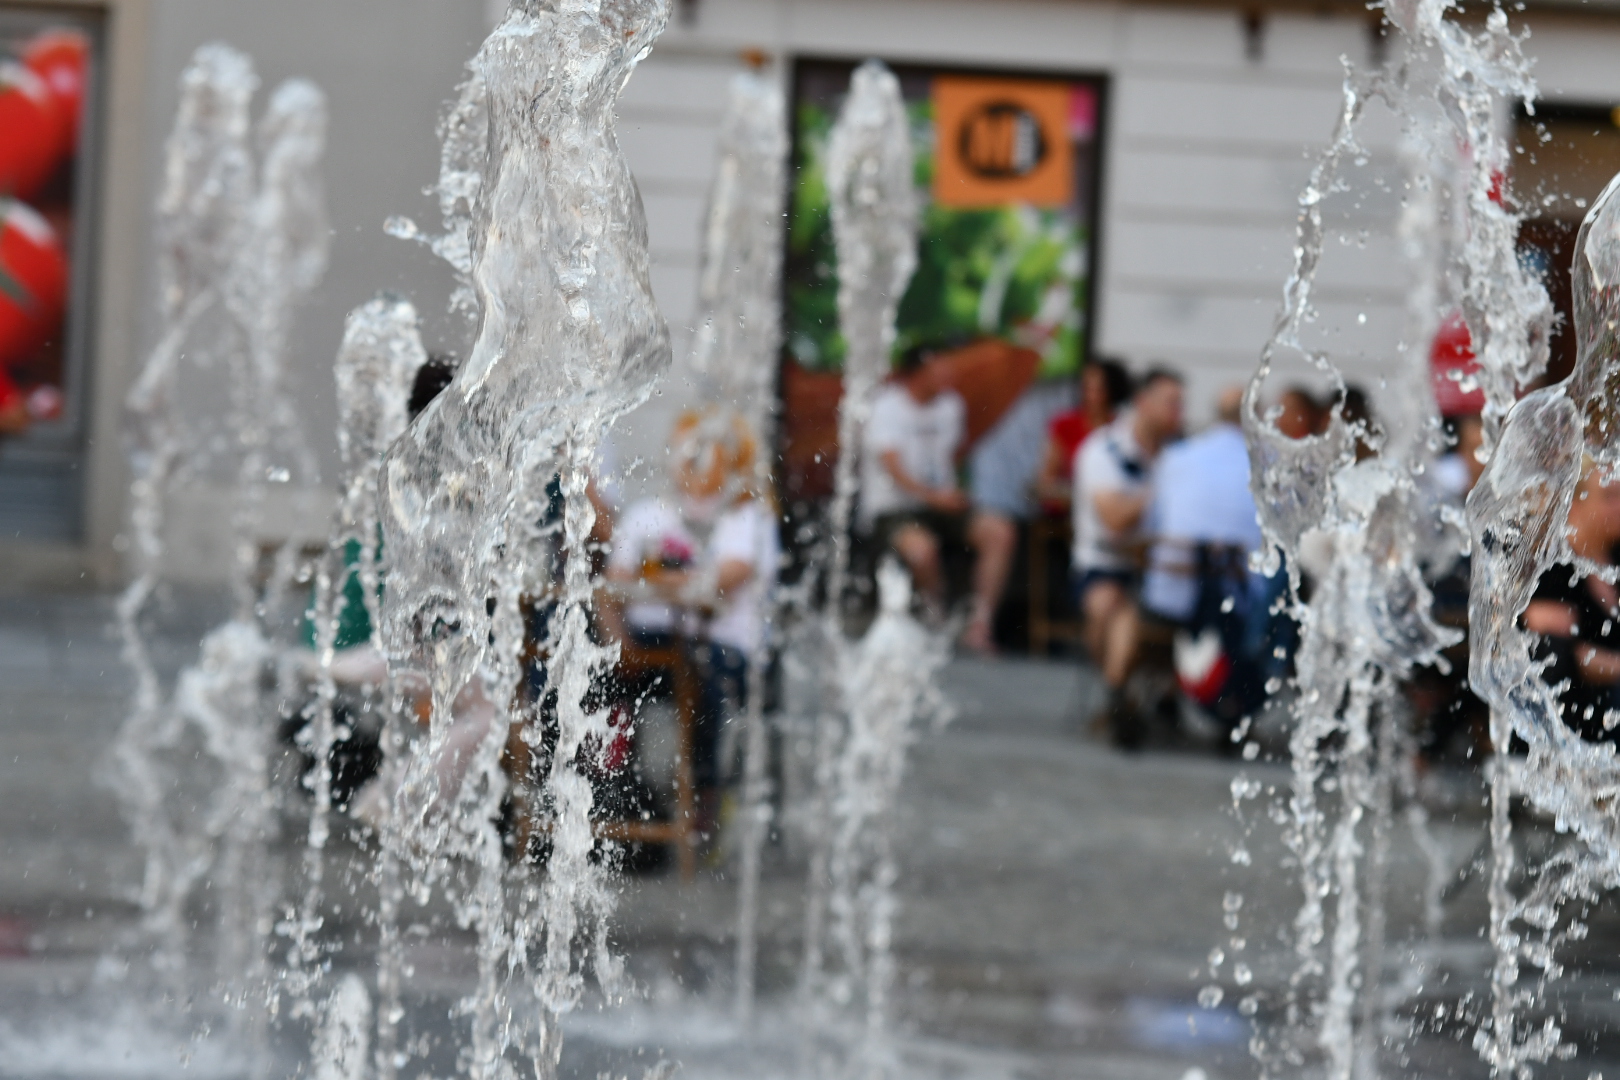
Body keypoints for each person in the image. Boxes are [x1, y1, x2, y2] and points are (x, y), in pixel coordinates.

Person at [1140, 387, 1264, 739]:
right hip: (1234, 601)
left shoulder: (1177, 456)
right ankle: (1241, 705)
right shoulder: (1264, 462)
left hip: (1169, 595)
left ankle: (1164, 694)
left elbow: (1152, 523)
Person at [1072, 367, 1184, 740]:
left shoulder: (1180, 454)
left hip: (1166, 569)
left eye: (1180, 404)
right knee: (1110, 606)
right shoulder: (1104, 450)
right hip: (1107, 564)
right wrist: (1164, 488)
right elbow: (1114, 520)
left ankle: (1133, 695)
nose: (1178, 413)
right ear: (1143, 403)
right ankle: (1122, 693)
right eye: (1171, 403)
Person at [960, 379, 1073, 654]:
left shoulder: (1061, 400)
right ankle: (954, 625)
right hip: (954, 502)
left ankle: (981, 625)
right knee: (1001, 533)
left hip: (1047, 511)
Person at [859, 344, 969, 619]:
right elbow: (893, 469)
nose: (948, 374)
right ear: (918, 374)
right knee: (922, 550)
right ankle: (934, 616)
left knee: (997, 532)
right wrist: (936, 497)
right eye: (939, 369)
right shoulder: (886, 408)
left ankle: (981, 621)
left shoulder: (952, 406)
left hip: (939, 505)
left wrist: (956, 493)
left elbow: (955, 455)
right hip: (894, 510)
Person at [1524, 461, 1620, 744]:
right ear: (1575, 503)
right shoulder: (1553, 570)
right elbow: (1557, 657)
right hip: (1572, 727)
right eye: (1609, 497)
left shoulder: (1614, 559)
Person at [1033, 358, 1133, 512]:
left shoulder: (1123, 429)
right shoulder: (1064, 424)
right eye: (1086, 388)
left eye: (1097, 389)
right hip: (1067, 512)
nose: (1089, 396)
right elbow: (1047, 477)